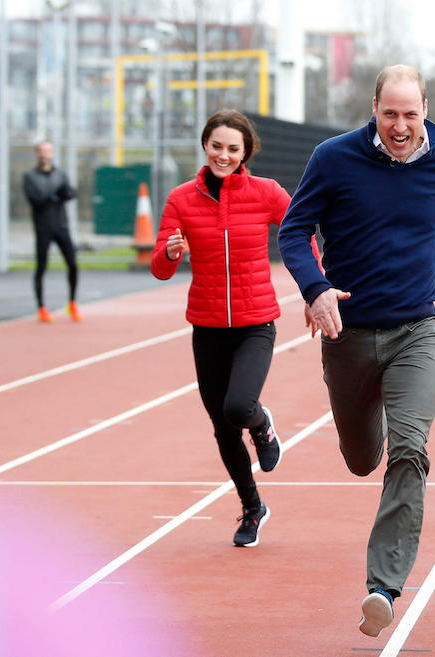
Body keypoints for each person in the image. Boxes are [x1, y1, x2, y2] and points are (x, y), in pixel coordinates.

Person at [277, 64, 435, 639]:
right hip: (348, 336)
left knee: (410, 450)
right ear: (374, 108)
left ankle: (382, 587)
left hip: (415, 331)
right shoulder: (334, 158)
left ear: (426, 111)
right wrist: (315, 290)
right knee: (363, 458)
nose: (401, 126)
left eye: (411, 114)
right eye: (390, 113)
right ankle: (370, 424)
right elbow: (293, 230)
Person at [151, 109, 291, 548]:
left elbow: (301, 232)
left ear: (246, 151)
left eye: (233, 149)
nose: (224, 156)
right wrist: (172, 252)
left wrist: (316, 287)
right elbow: (159, 268)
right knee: (223, 427)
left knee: (238, 406)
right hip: (208, 326)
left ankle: (262, 423)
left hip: (255, 322)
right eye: (217, 147)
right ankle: (253, 509)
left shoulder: (266, 193)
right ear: (205, 146)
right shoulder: (181, 199)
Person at [23, 140, 80, 323]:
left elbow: (70, 192)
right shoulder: (30, 176)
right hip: (43, 228)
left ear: (52, 153)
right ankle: (41, 307)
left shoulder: (60, 174)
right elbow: (36, 199)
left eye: (47, 151)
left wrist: (60, 194)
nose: (44, 154)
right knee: (41, 267)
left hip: (61, 226)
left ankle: (72, 303)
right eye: (41, 151)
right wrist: (55, 195)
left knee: (73, 264)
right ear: (37, 154)